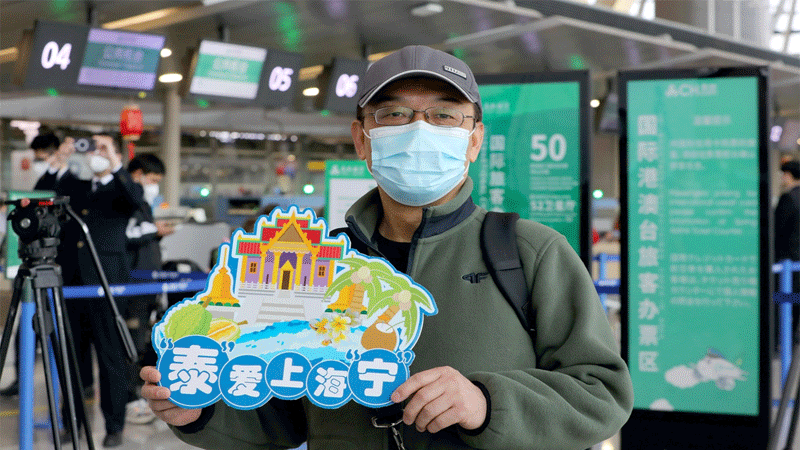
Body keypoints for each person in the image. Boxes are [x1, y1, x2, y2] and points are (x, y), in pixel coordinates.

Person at [140, 45, 633, 449]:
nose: (420, 130)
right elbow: (281, 414)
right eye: (394, 114)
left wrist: (488, 403)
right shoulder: (322, 264)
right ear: (362, 139)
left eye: (445, 115)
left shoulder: (528, 253)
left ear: (474, 140)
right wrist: (201, 411)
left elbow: (602, 393)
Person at [36, 135, 143, 447]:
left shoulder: (121, 187)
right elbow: (42, 196)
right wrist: (58, 161)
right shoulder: (74, 185)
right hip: (72, 283)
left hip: (107, 283)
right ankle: (72, 423)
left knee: (111, 357)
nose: (95, 154)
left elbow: (135, 199)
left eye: (101, 150)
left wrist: (114, 160)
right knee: (73, 356)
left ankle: (114, 426)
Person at [1, 132, 62, 397]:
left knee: (60, 329)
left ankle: (71, 387)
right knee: (24, 328)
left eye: (43, 156)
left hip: (60, 265)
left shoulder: (72, 178)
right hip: (35, 261)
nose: (39, 161)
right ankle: (20, 380)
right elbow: (39, 194)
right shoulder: (45, 178)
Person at [123, 153, 174, 424]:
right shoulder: (126, 203)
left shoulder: (143, 204)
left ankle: (139, 395)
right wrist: (154, 231)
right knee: (130, 342)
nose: (154, 186)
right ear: (138, 174)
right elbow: (126, 236)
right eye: (152, 180)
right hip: (133, 284)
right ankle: (131, 398)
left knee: (143, 339)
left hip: (148, 285)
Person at [774, 160, 800, 345]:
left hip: (786, 261)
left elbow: (777, 230)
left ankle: (781, 339)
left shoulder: (788, 198)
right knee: (796, 299)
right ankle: (793, 336)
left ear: (789, 176)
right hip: (797, 262)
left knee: (782, 299)